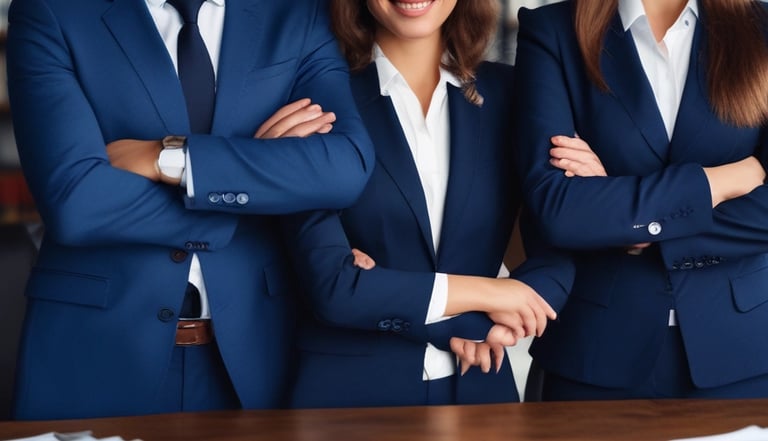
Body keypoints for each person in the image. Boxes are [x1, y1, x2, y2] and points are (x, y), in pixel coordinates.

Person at [6, 0, 375, 420]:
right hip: (95, 353)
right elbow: (76, 202)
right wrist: (261, 185)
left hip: (262, 351)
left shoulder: (297, 12)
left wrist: (170, 158)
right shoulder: (53, 10)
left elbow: (346, 166)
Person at [278, 0, 574, 408]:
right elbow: (335, 289)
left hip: (484, 393)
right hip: (347, 399)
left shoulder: (512, 92)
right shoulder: (315, 101)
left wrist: (509, 317)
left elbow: (557, 241)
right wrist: (489, 297)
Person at [513, 0, 768, 400]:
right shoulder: (553, 30)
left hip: (745, 354)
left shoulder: (763, 27)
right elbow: (559, 209)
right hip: (594, 355)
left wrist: (622, 217)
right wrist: (720, 181)